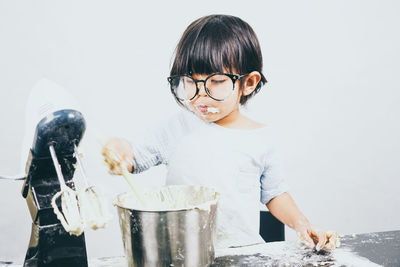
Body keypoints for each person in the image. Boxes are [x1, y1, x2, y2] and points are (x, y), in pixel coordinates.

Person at [102, 14, 338, 251]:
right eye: (190, 81)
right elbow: (134, 156)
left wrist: (302, 225)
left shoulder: (261, 139)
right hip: (184, 255)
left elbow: (275, 194)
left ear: (248, 83)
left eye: (215, 81)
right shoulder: (178, 128)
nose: (200, 93)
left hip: (242, 252)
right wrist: (119, 150)